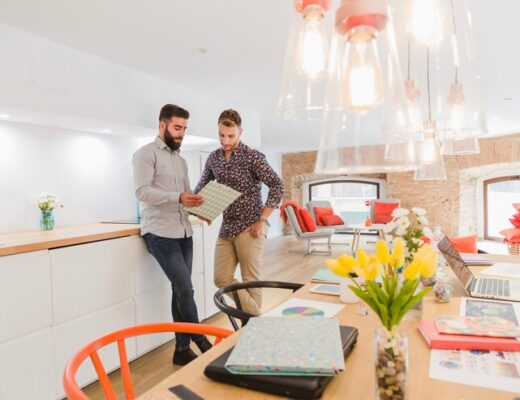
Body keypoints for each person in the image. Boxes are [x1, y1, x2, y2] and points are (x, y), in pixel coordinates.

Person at [132, 104, 212, 366]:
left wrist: (203, 209)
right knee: (186, 289)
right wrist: (177, 197)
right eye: (177, 128)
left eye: (184, 129)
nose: (181, 134)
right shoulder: (145, 154)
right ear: (162, 125)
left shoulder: (181, 160)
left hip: (184, 232)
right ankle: (201, 340)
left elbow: (186, 197)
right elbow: (142, 192)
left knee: (181, 291)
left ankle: (181, 349)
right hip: (159, 233)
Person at [194, 109, 284, 315]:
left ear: (240, 132)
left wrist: (262, 219)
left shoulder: (252, 157)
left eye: (230, 136)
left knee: (250, 280)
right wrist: (202, 209)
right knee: (221, 278)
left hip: (251, 226)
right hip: (226, 227)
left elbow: (277, 186)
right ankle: (257, 319)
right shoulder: (214, 158)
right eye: (221, 135)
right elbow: (201, 188)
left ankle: (249, 326)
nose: (225, 141)